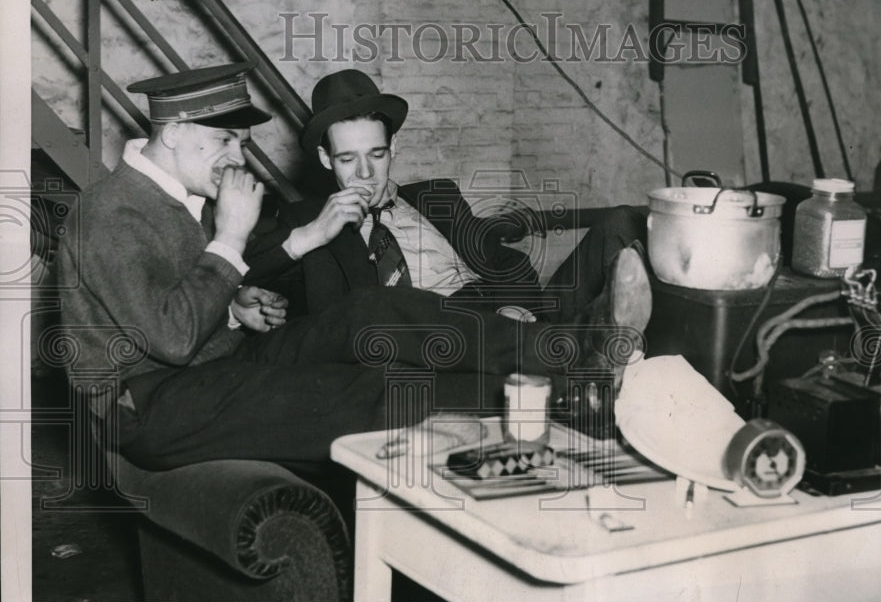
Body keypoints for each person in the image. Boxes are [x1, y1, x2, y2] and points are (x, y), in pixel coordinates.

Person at [57, 62, 652, 472]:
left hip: (213, 359)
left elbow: (169, 302)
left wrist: (234, 309)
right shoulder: (108, 211)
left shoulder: (172, 199)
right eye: (227, 143)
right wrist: (232, 238)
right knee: (360, 390)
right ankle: (568, 396)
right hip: (151, 403)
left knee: (371, 312)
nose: (237, 158)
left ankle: (577, 350)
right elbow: (170, 335)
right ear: (178, 133)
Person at [245, 69, 649, 327]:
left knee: (622, 222)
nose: (366, 173)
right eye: (348, 159)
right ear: (324, 158)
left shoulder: (436, 198)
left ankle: (580, 338)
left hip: (509, 319)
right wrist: (315, 232)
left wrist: (516, 308)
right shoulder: (306, 221)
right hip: (436, 336)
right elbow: (247, 272)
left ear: (393, 149)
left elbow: (505, 261)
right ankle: (591, 340)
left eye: (377, 154)